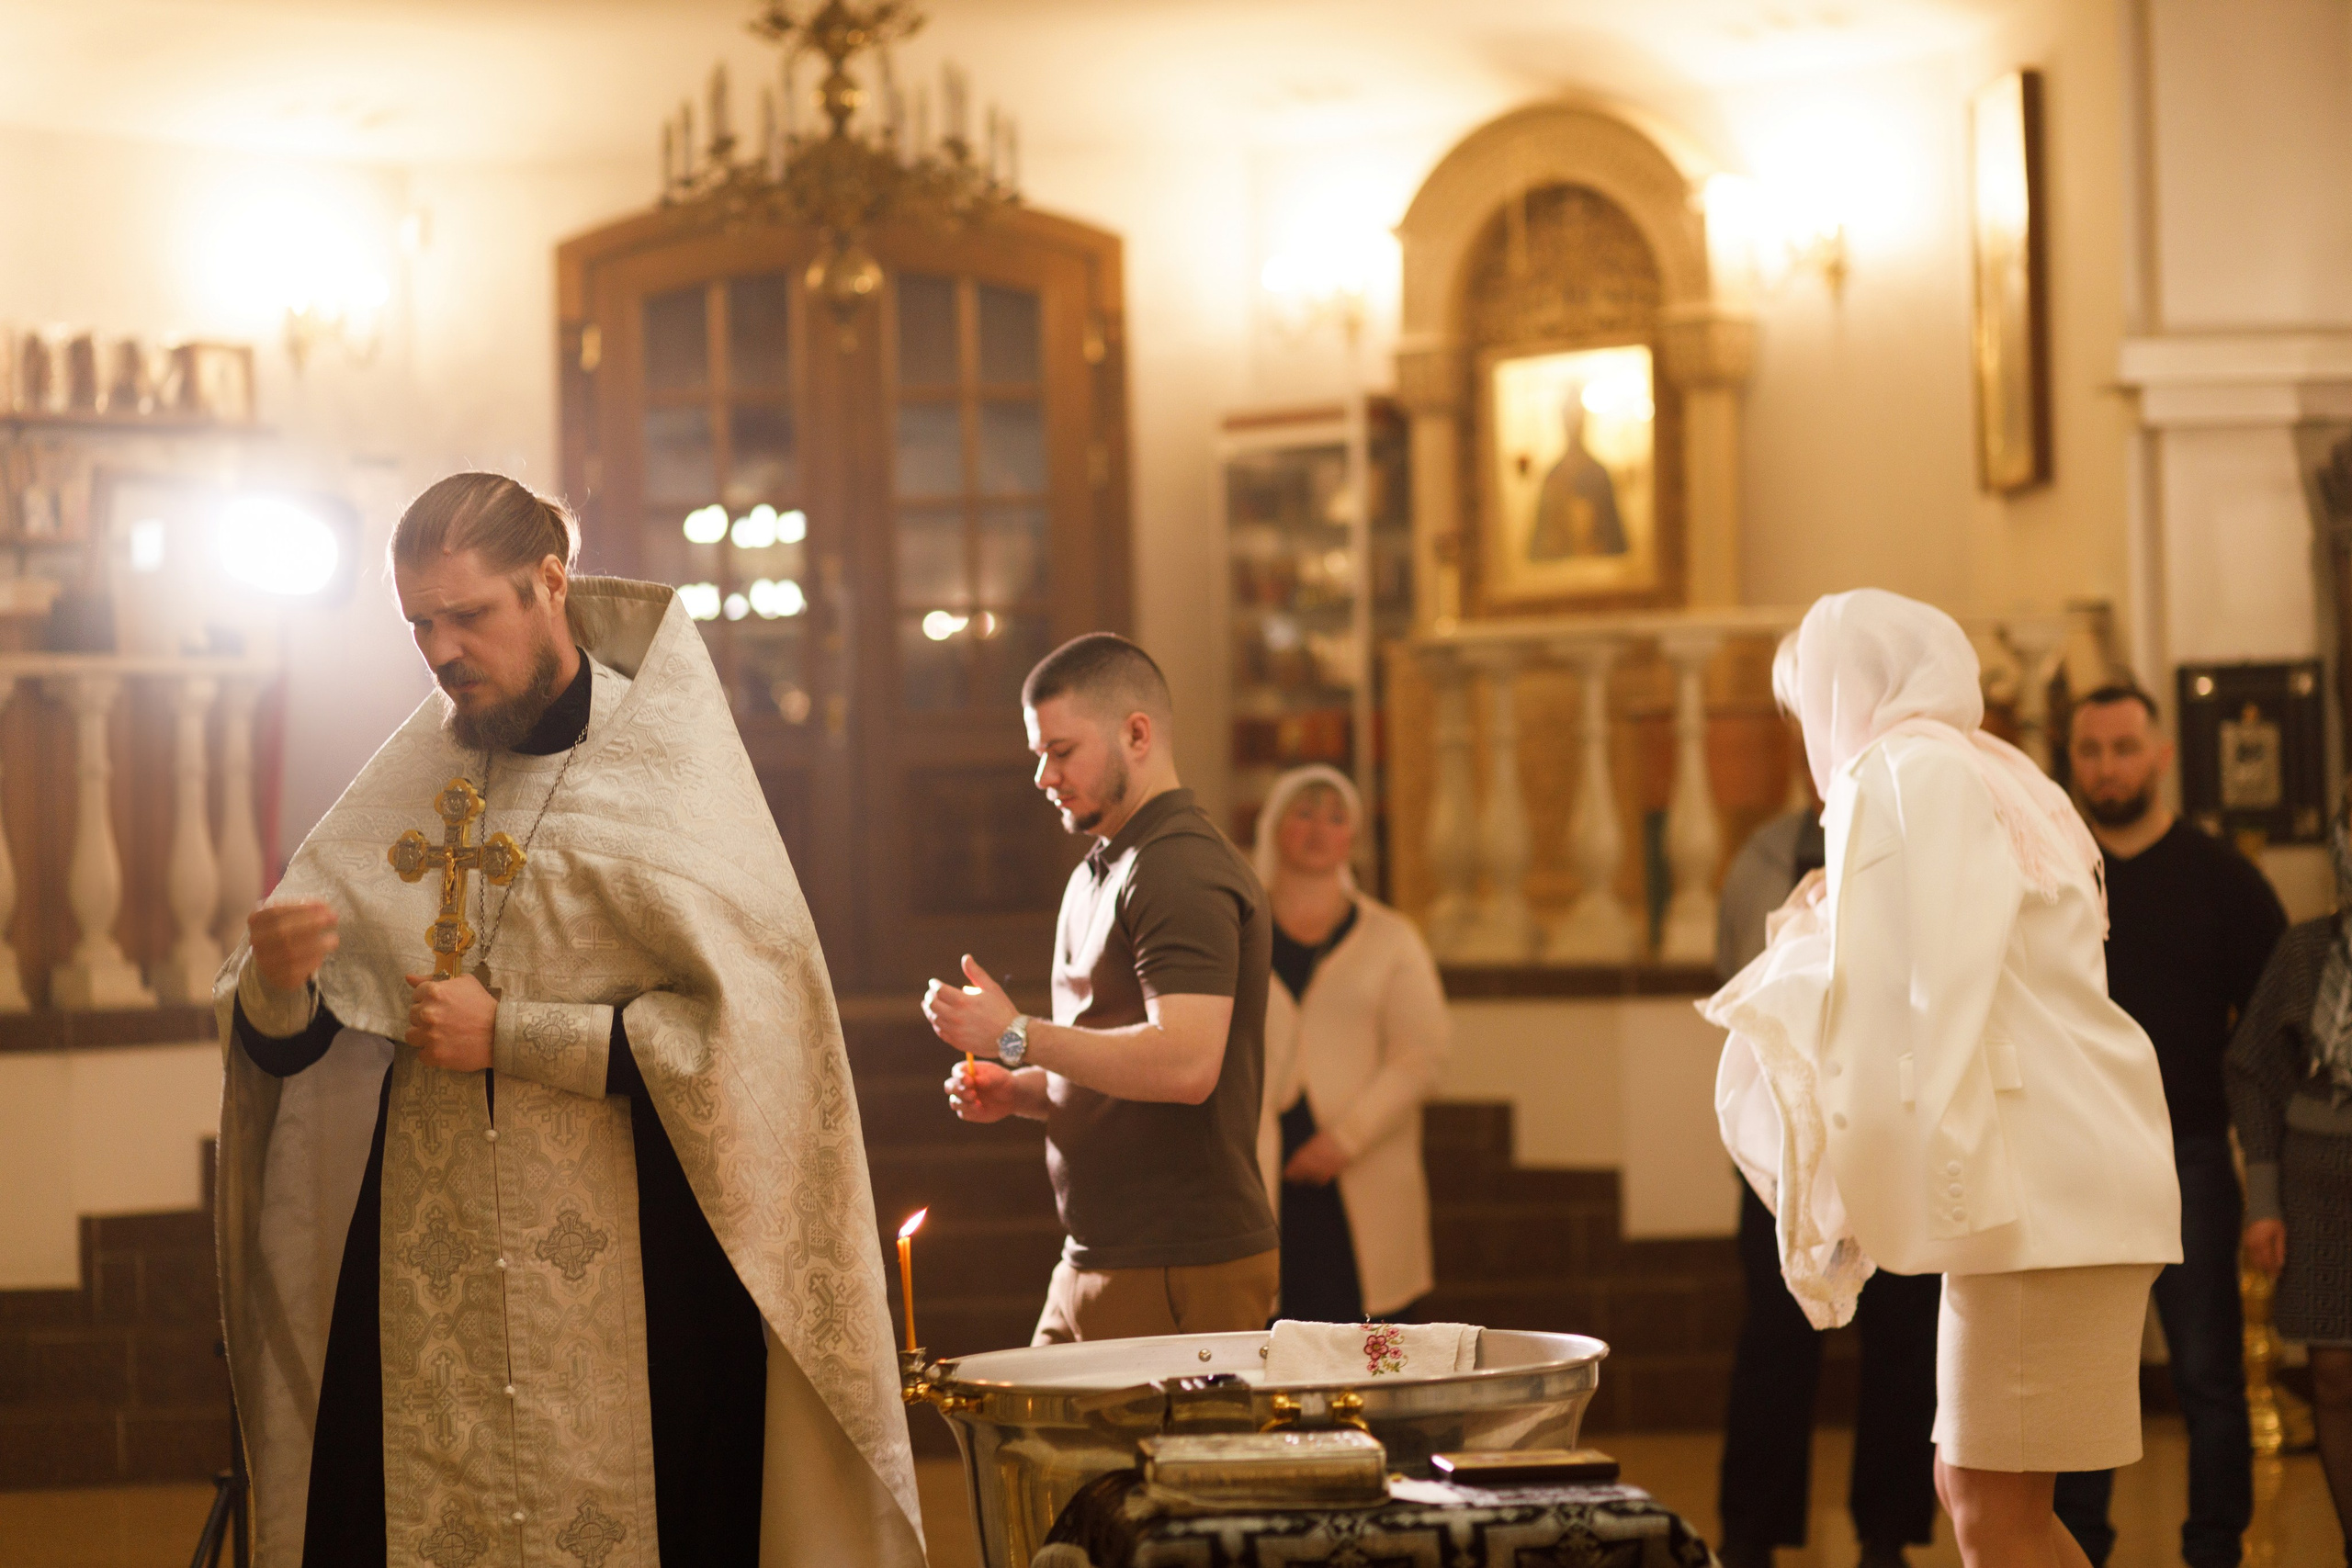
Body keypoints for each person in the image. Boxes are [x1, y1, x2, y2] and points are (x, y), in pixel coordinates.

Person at [215, 474, 923, 1568]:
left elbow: (752, 1035)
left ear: (550, 583)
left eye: (468, 615)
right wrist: (276, 984)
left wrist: (514, 1036)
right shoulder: (408, 782)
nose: (441, 650)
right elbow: (305, 1038)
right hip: (428, 1261)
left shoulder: (670, 776)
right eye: (418, 624)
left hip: (647, 1260)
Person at [1705, 589, 2180, 1568]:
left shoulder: (1901, 773)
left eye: (1812, 705)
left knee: (1986, 1506)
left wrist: (1853, 1193)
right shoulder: (1997, 769)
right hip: (2082, 1171)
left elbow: (1915, 994)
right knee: (1977, 1494)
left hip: (2034, 1196)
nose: (1813, 736)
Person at [923, 633, 1280, 1342]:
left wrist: (1015, 1034)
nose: (1042, 777)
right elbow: (1111, 1056)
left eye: (1061, 751)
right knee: (1024, 1451)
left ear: (1137, 734)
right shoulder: (1103, 867)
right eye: (1037, 755)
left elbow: (1184, 1064)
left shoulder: (1178, 868)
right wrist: (1025, 1089)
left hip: (1179, 1261)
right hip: (1096, 1255)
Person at [2052, 684, 2286, 1568]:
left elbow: (2272, 1030)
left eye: (2123, 746)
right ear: (2072, 761)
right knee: (2083, 1374)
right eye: (2089, 749)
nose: (2106, 765)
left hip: (2188, 1154)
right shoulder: (2054, 874)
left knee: (2207, 1373)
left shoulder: (2224, 879)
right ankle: (2077, 1545)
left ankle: (2216, 1547)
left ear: (2159, 756)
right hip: (2074, 1156)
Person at [1712, 777, 1941, 1568]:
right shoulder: (1765, 856)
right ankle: (1750, 1531)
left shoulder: (1923, 842)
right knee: (1775, 1343)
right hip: (1790, 1148)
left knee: (1907, 1343)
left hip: (1897, 1135)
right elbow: (1741, 993)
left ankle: (1887, 1533)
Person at [1250, 764, 1449, 1325]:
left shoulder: (1392, 938)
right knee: (1274, 1341)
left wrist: (1346, 1138)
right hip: (1264, 1167)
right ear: (1275, 826)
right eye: (1304, 813)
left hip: (1361, 1169)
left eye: (1336, 818)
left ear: (1353, 836)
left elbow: (1422, 1057)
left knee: (1370, 1345)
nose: (1319, 830)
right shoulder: (1238, 931)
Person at [2227, 775, 2352, 1556]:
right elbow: (2250, 1068)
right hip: (2319, 1195)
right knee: (2336, 1376)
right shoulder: (2306, 949)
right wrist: (2263, 1199)